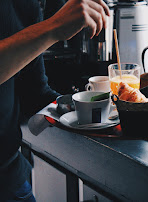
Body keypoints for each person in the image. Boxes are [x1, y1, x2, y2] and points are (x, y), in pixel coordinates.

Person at [0, 0, 110, 201]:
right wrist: (53, 27)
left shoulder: (25, 4)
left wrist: (104, 107)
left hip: (9, 179)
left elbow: (35, 94)